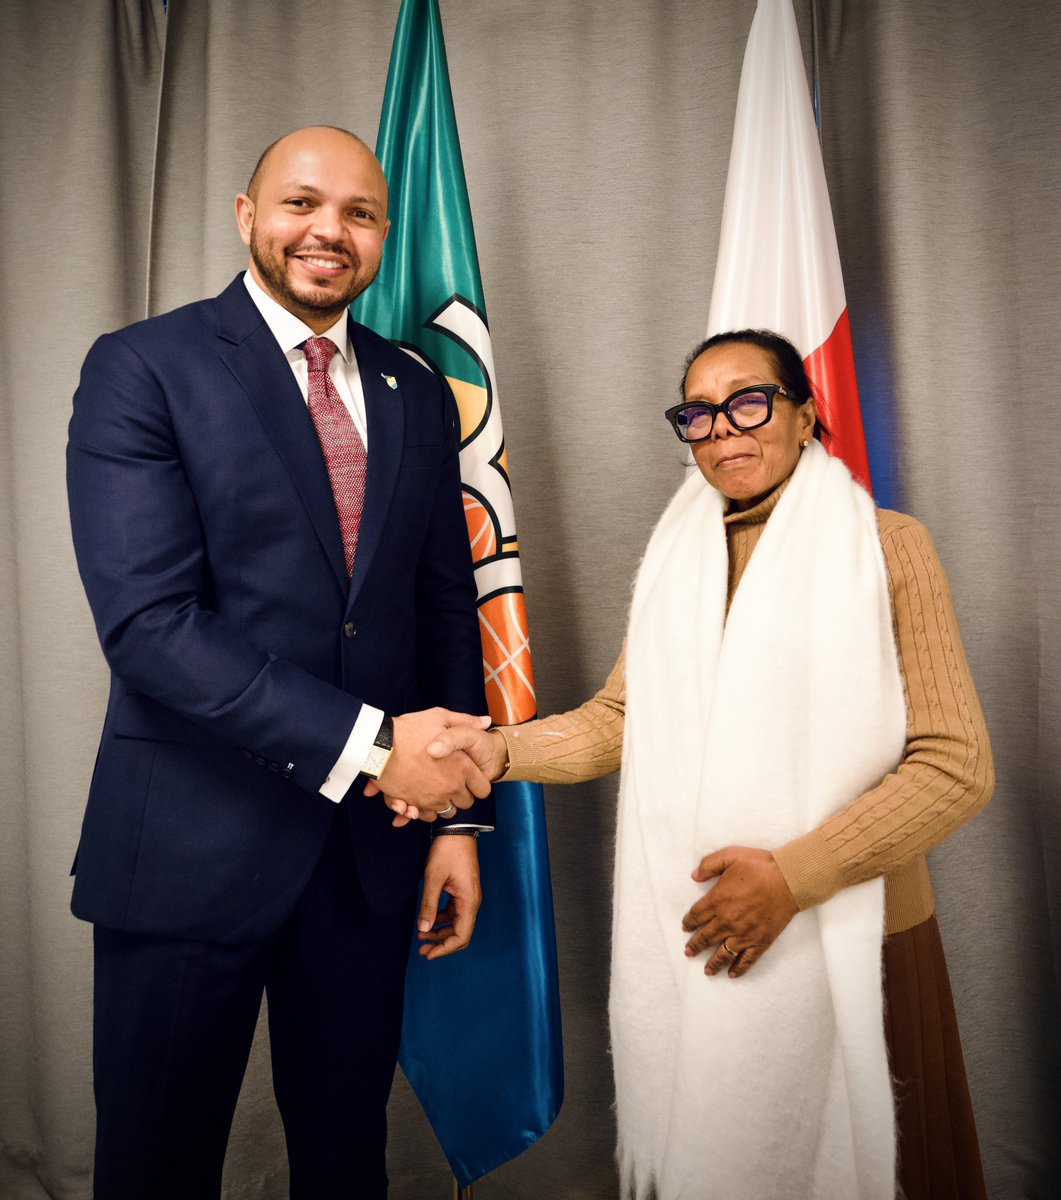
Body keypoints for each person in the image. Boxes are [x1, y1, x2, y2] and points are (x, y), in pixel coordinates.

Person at [428, 330, 993, 1200]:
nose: (723, 429)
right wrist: (500, 750)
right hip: (708, 925)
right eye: (698, 413)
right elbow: (623, 718)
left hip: (861, 931)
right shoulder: (677, 563)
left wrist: (794, 877)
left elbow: (954, 766)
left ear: (805, 416)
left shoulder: (886, 546)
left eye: (749, 402)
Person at [66, 125, 495, 1199]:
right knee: (156, 1169)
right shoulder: (143, 367)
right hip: (185, 852)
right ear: (246, 214)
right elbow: (151, 624)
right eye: (301, 203)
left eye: (357, 213)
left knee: (347, 1163)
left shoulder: (416, 390)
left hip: (365, 862)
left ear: (383, 236)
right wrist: (375, 748)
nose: (327, 232)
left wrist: (454, 820)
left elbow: (444, 609)